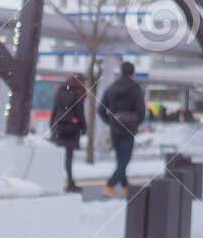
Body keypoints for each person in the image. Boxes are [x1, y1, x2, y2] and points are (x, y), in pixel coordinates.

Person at [98, 61, 145, 197]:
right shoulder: (135, 89)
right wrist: (136, 122)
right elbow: (141, 112)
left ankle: (125, 187)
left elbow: (101, 109)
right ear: (132, 73)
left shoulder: (112, 87)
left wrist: (110, 122)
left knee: (120, 159)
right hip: (128, 128)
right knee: (125, 160)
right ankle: (109, 185)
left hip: (115, 128)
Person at [48, 74, 89, 193]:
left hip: (59, 126)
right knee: (69, 158)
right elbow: (79, 112)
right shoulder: (78, 93)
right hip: (71, 128)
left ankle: (55, 182)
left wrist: (52, 125)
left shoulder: (60, 90)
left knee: (59, 157)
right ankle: (70, 183)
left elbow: (55, 109)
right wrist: (84, 127)